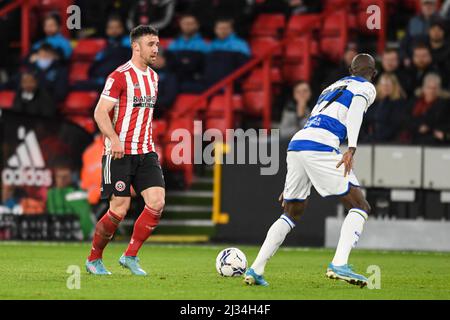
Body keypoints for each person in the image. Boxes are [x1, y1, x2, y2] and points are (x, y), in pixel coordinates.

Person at [244, 54, 378, 288]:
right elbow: (356, 110)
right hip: (322, 144)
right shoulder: (366, 87)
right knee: (360, 205)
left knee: (291, 211)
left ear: (350, 69)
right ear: (373, 73)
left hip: (297, 144)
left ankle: (256, 269)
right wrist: (352, 147)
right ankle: (339, 263)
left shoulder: (330, 87)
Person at [85, 25, 165, 276]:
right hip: (118, 153)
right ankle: (94, 259)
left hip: (146, 152)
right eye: (151, 44)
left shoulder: (153, 77)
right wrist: (114, 139)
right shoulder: (119, 76)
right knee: (119, 209)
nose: (156, 48)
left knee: (157, 202)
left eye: (157, 44)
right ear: (136, 46)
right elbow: (99, 112)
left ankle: (130, 255)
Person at [166, 14, 210, 92]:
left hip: (193, 80)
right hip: (174, 79)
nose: (187, 26)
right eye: (185, 23)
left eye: (191, 24)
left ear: (197, 25)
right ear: (180, 25)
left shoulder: (204, 45)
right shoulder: (173, 44)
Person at [204, 18, 251, 87]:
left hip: (230, 84)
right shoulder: (212, 44)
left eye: (225, 28)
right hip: (210, 84)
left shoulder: (240, 44)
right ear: (215, 30)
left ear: (231, 30)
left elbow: (245, 68)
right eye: (220, 28)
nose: (222, 31)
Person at [362, 73, 407, 142]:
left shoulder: (398, 103)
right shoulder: (374, 102)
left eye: (388, 85)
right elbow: (365, 119)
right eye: (383, 85)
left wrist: (375, 138)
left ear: (394, 86)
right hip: (370, 139)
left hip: (389, 142)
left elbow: (394, 126)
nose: (385, 87)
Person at [409, 73, 450, 144]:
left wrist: (430, 128)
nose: (431, 91)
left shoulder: (445, 104)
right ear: (424, 88)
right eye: (429, 87)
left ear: (439, 89)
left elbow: (445, 123)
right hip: (414, 137)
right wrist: (418, 126)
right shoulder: (414, 102)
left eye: (435, 88)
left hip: (434, 140)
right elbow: (406, 119)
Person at [400, 0, 440, 65]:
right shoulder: (413, 21)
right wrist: (404, 57)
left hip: (434, 60)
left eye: (431, 4)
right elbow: (404, 42)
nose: (428, 7)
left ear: (435, 6)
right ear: (421, 6)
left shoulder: (442, 22)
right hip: (412, 59)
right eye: (425, 4)